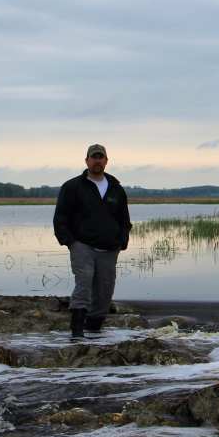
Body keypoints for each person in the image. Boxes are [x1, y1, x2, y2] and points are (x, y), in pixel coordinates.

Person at [53, 144, 131, 339]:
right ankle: (77, 335)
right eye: (94, 157)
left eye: (101, 157)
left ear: (106, 161)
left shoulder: (116, 189)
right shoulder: (72, 187)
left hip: (110, 248)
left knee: (105, 291)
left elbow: (124, 220)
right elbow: (60, 217)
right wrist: (70, 241)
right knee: (84, 284)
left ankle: (94, 332)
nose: (97, 160)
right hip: (82, 245)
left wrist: (122, 241)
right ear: (86, 160)